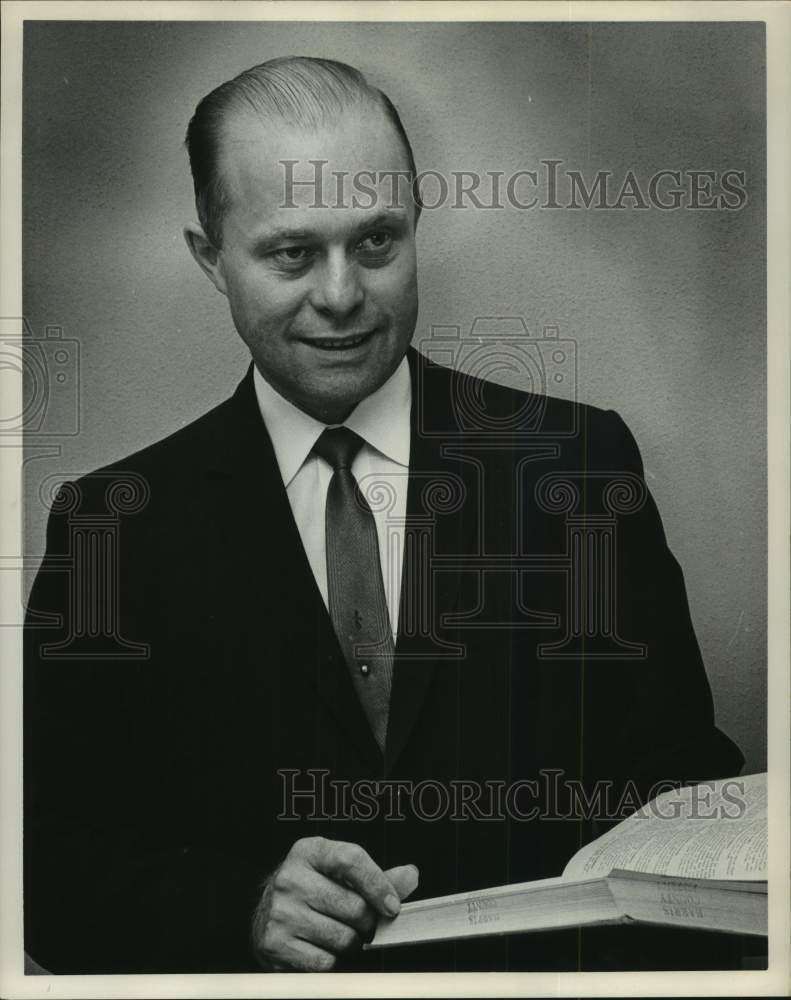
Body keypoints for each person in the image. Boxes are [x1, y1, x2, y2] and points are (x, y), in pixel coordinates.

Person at [24, 56, 744, 975]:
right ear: (209, 258)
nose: (340, 295)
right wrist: (239, 912)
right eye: (291, 253)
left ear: (415, 230)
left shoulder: (577, 467)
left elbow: (681, 792)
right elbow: (48, 868)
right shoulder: (110, 527)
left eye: (376, 242)